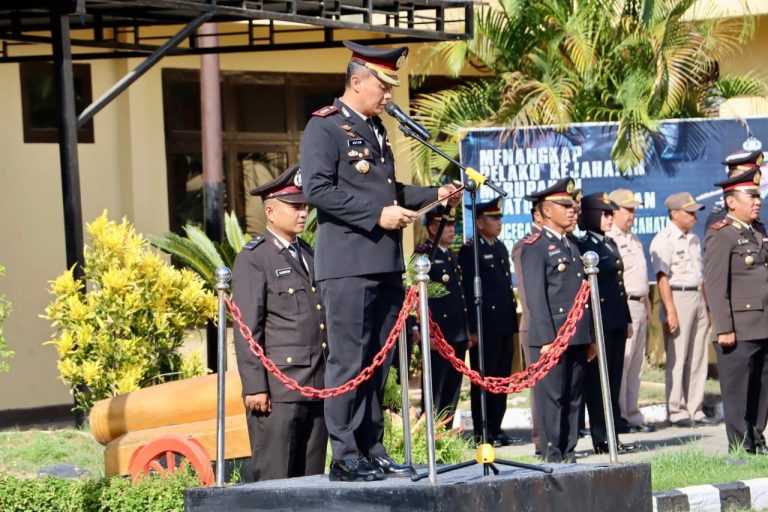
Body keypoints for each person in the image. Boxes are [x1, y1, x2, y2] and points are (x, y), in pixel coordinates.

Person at [299, 41, 460, 482]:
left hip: (385, 264)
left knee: (378, 363)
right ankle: (345, 455)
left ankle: (372, 448)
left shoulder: (375, 129)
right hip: (348, 266)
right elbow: (317, 190)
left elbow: (390, 193)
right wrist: (377, 215)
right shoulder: (324, 127)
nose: (389, 95)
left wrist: (436, 194)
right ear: (356, 82)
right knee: (350, 362)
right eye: (383, 86)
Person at [232, 165, 329, 481]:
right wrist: (255, 386)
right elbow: (247, 328)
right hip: (279, 390)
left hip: (316, 384)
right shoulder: (254, 258)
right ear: (270, 212)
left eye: (304, 206)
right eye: (294, 206)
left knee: (311, 478)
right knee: (276, 479)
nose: (303, 213)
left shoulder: (309, 254)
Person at [520, 178, 594, 463]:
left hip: (576, 335)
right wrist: (547, 339)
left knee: (574, 397)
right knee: (552, 399)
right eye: (564, 205)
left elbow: (582, 296)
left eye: (573, 205)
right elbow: (536, 298)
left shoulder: (572, 245)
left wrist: (589, 337)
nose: (572, 210)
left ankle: (569, 452)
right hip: (552, 337)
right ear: (547, 211)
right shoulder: (535, 247)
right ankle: (553, 454)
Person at [704, 167, 768, 454]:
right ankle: (740, 448)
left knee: (761, 390)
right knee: (738, 391)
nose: (757, 201)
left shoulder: (759, 230)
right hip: (738, 329)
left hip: (763, 324)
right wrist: (724, 327)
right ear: (731, 201)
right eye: (751, 196)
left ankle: (756, 439)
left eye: (758, 196)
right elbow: (716, 285)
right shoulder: (721, 234)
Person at [576, 192, 638, 455]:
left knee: (612, 381)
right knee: (598, 384)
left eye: (612, 213)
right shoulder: (583, 245)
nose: (610, 218)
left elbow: (618, 286)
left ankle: (613, 437)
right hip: (599, 322)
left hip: (616, 321)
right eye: (605, 213)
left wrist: (627, 318)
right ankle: (602, 438)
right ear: (591, 215)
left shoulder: (609, 243)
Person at [458, 197, 521, 447]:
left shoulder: (500, 247)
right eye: (493, 218)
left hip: (503, 323)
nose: (499, 222)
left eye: (499, 217)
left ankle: (496, 427)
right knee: (484, 379)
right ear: (479, 222)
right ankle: (483, 431)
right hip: (485, 327)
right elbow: (467, 292)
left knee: (502, 378)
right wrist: (472, 328)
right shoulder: (471, 250)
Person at [650, 192, 717, 427]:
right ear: (675, 214)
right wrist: (670, 311)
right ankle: (676, 410)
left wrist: (708, 306)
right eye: (689, 213)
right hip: (677, 297)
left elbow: (702, 276)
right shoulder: (664, 239)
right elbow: (662, 279)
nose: (694, 217)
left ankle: (695, 409)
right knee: (678, 357)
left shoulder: (695, 239)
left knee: (698, 356)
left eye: (695, 213)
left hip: (697, 296)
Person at [607, 188, 656, 434]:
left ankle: (633, 415)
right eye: (628, 210)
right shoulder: (611, 238)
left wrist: (646, 303)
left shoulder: (634, 238)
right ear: (614, 211)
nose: (632, 214)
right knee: (623, 363)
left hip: (639, 303)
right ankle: (621, 416)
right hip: (623, 305)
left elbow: (640, 276)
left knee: (636, 364)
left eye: (634, 210)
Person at [414, 206, 470, 423]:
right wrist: (427, 333)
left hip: (456, 333)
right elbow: (418, 297)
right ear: (433, 227)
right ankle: (431, 432)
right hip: (438, 335)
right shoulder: (423, 255)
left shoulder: (450, 254)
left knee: (452, 389)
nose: (451, 229)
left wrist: (467, 331)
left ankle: (445, 433)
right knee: (435, 389)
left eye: (453, 225)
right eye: (446, 225)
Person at [512, 203, 543, 455]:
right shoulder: (527, 245)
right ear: (539, 214)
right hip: (537, 326)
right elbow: (528, 292)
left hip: (564, 326)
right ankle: (544, 441)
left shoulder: (567, 243)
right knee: (542, 389)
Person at [705, 150, 767, 236]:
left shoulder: (755, 222)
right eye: (748, 175)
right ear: (734, 178)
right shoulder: (719, 218)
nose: (753, 179)